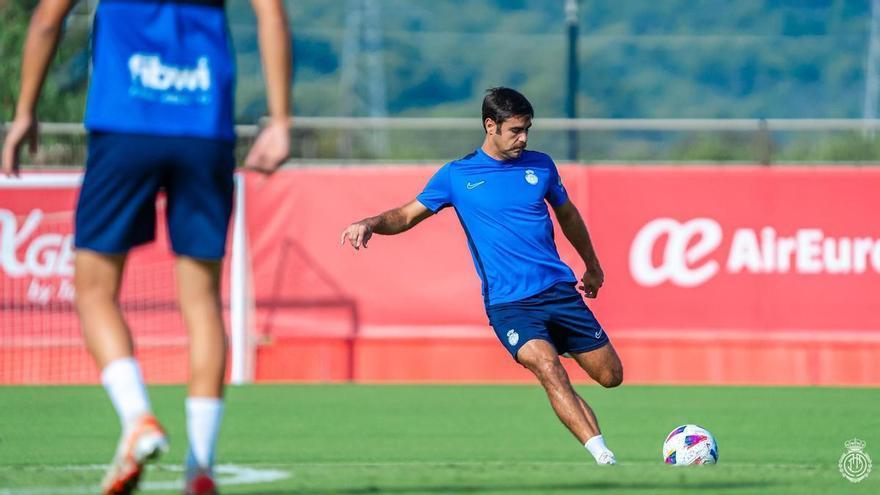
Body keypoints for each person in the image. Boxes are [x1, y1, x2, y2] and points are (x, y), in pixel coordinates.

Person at [1, 0, 291, 493]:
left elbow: (49, 18)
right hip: (204, 129)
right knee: (201, 302)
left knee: (93, 290)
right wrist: (281, 119)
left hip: (125, 125)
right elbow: (271, 14)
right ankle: (201, 467)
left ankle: (137, 417)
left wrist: (25, 110)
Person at [341, 87, 623, 465]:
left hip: (558, 290)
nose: (523, 138)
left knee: (610, 376)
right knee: (548, 369)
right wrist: (371, 223)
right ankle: (602, 455)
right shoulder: (457, 176)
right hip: (510, 304)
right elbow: (406, 216)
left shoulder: (541, 166)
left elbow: (568, 216)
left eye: (527, 130)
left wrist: (592, 265)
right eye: (516, 130)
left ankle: (560, 342)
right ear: (490, 126)